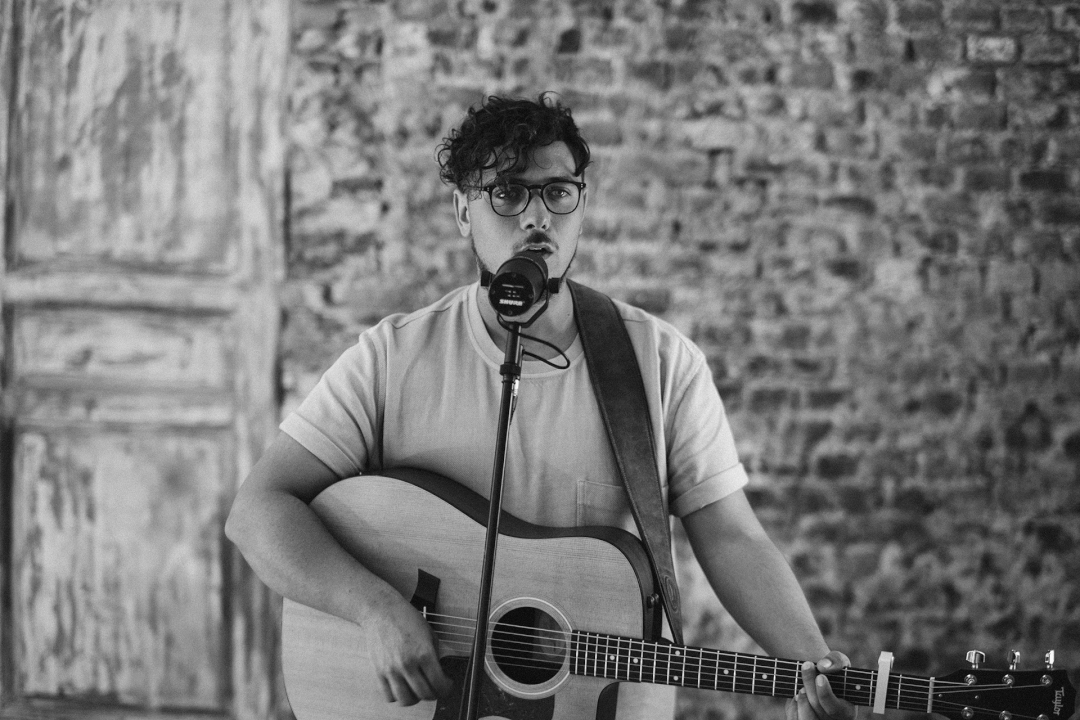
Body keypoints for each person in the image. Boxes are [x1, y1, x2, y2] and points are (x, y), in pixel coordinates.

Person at [225, 93, 859, 720]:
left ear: (581, 207)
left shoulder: (661, 363)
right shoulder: (393, 358)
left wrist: (813, 667)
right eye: (506, 192)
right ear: (462, 211)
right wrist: (375, 607)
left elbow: (731, 536)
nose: (537, 218)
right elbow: (257, 511)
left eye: (559, 192)